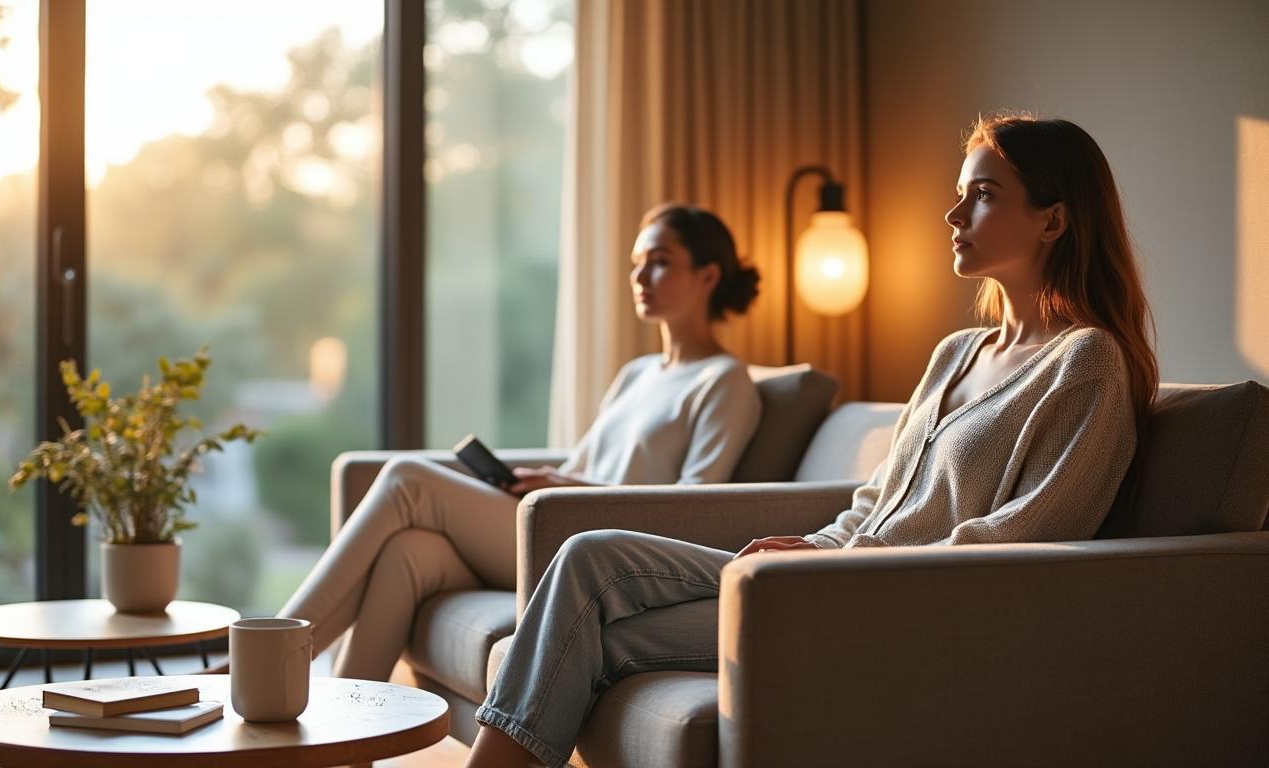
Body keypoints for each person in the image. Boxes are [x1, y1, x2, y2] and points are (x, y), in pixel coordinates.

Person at [466, 114, 1160, 767]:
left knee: (600, 638)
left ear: (1053, 220)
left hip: (894, 606)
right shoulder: (956, 352)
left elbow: (1032, 539)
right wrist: (819, 549)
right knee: (589, 554)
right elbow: (877, 500)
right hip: (830, 577)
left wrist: (842, 568)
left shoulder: (1087, 362)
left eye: (982, 196)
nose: (953, 215)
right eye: (960, 194)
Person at [264, 203, 763, 682]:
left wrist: (569, 488)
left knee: (406, 479)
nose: (640, 276)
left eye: (660, 262)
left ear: (708, 275)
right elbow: (585, 465)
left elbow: (692, 507)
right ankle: (345, 727)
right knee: (408, 553)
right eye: (637, 262)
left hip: (594, 551)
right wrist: (547, 482)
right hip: (560, 519)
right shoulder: (638, 374)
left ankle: (260, 659)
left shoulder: (724, 381)